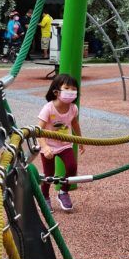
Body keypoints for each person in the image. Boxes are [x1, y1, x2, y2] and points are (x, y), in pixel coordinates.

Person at [37, 73, 84, 212]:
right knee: (48, 175)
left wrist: (81, 140)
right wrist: (44, 147)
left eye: (73, 89)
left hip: (64, 145)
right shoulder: (49, 108)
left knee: (72, 167)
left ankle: (63, 192)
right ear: (57, 91)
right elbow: (38, 130)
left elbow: (75, 124)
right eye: (67, 88)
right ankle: (44, 196)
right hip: (49, 146)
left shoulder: (73, 108)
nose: (71, 92)